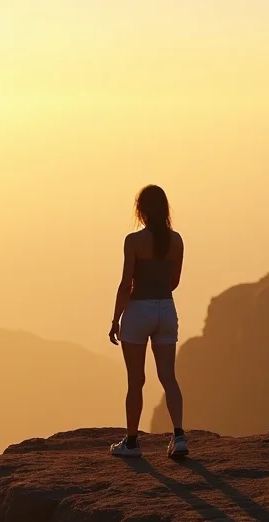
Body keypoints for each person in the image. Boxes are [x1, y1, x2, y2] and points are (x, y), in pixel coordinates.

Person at [108, 185, 187, 458]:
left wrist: (115, 319)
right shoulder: (176, 241)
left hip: (138, 311)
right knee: (169, 377)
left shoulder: (133, 241)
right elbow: (174, 282)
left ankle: (132, 442)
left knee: (136, 380)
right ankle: (179, 437)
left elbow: (125, 283)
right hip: (166, 309)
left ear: (140, 210)